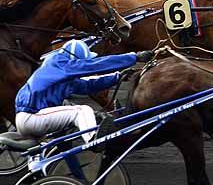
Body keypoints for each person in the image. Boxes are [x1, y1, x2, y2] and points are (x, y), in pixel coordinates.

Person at [15, 40, 154, 147]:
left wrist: (117, 77)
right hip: (32, 118)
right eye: (83, 61)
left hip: (29, 118)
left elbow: (88, 85)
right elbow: (94, 65)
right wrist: (134, 57)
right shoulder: (59, 64)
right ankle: (93, 140)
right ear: (74, 59)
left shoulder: (61, 75)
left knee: (72, 109)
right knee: (81, 111)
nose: (85, 63)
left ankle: (37, 171)